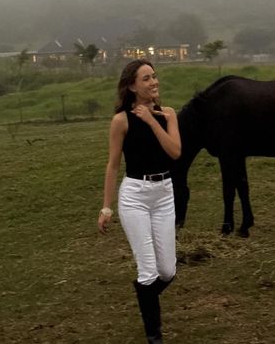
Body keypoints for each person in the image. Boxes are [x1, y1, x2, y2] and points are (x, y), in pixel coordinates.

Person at [98, 59, 182, 343]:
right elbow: (112, 165)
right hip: (135, 195)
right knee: (148, 271)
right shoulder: (121, 120)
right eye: (146, 78)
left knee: (168, 270)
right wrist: (106, 207)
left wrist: (153, 120)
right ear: (132, 86)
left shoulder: (169, 114)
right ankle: (154, 336)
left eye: (154, 76)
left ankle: (144, 294)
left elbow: (175, 153)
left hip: (164, 194)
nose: (153, 82)